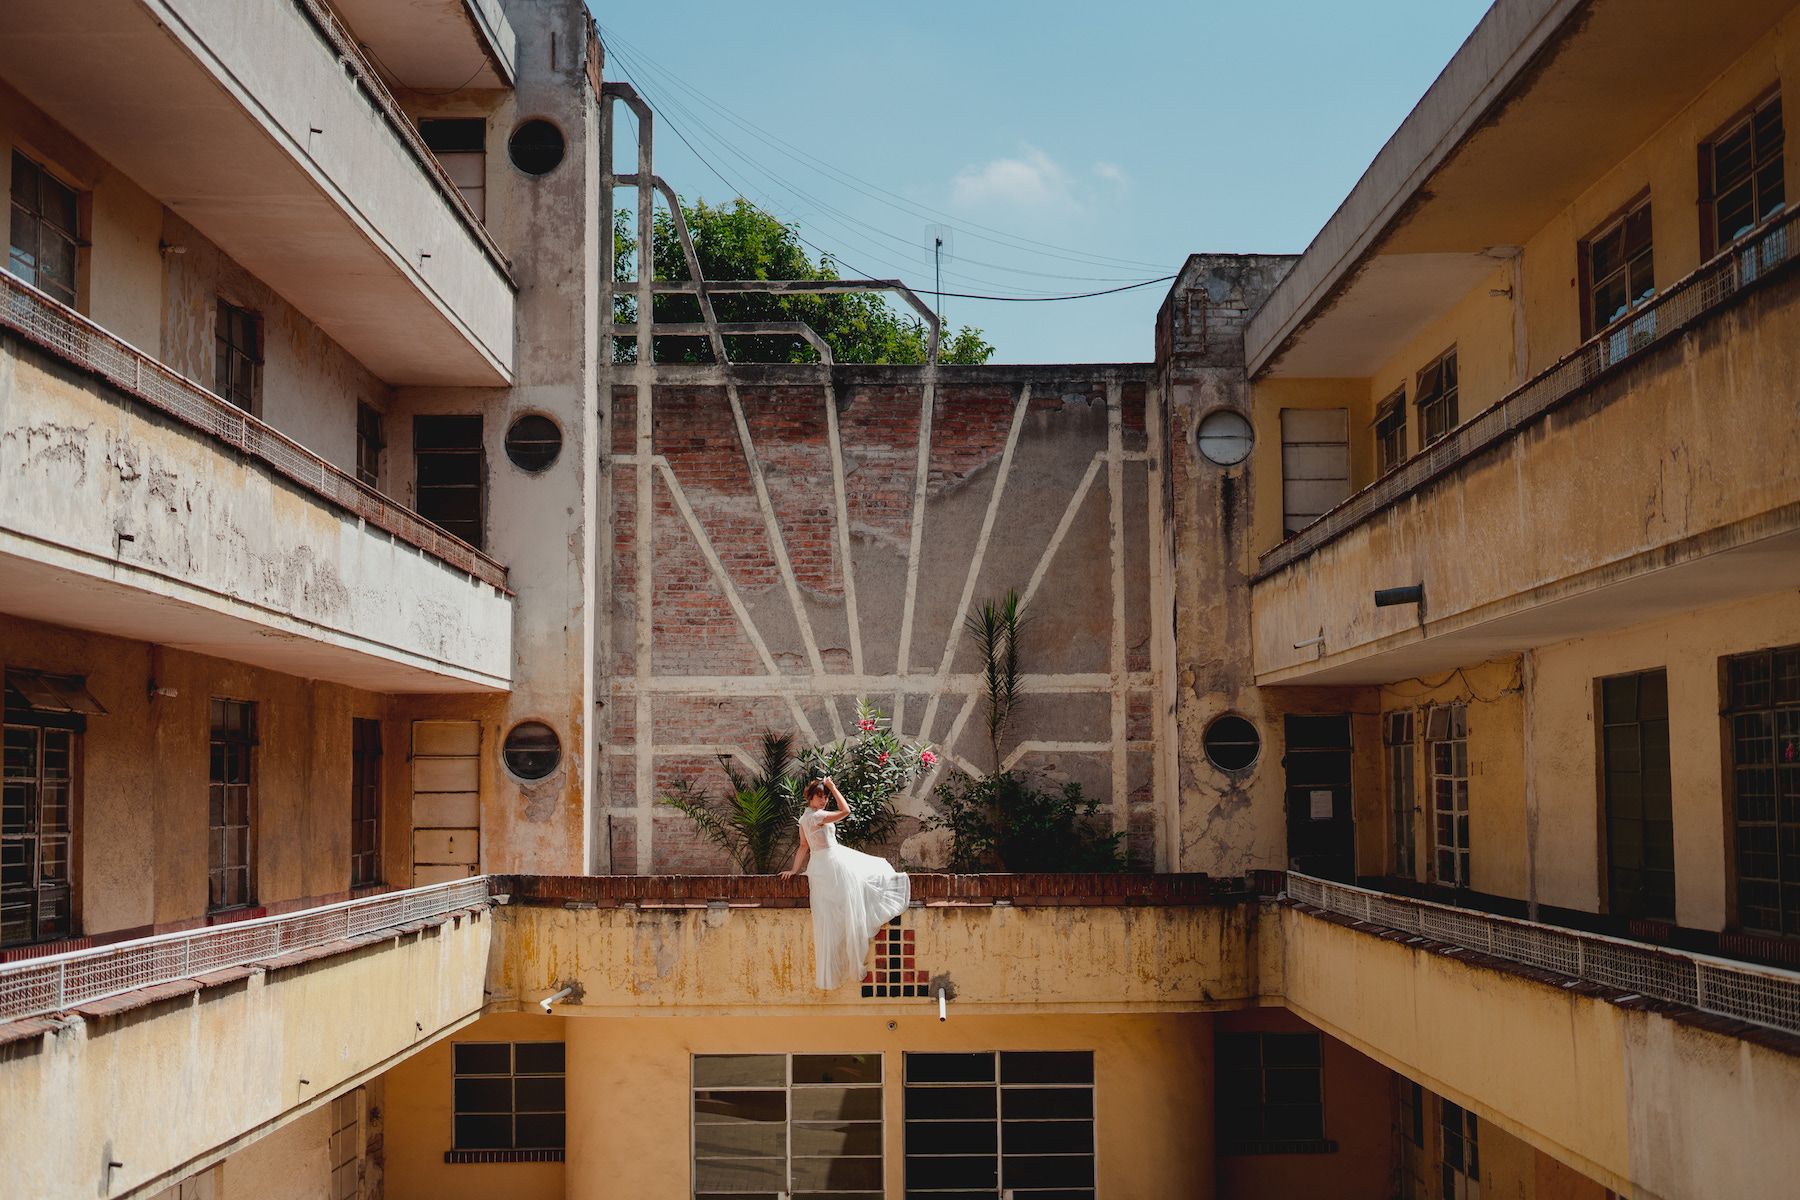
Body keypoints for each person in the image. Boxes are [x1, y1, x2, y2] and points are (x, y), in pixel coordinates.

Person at [780, 775, 910, 989]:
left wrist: (795, 870)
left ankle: (852, 932)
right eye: (819, 797)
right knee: (868, 881)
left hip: (821, 863)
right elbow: (846, 811)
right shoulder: (818, 816)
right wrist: (832, 786)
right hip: (831, 862)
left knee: (846, 900)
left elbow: (804, 845)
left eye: (826, 797)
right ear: (810, 798)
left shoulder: (804, 818)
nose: (823, 801)